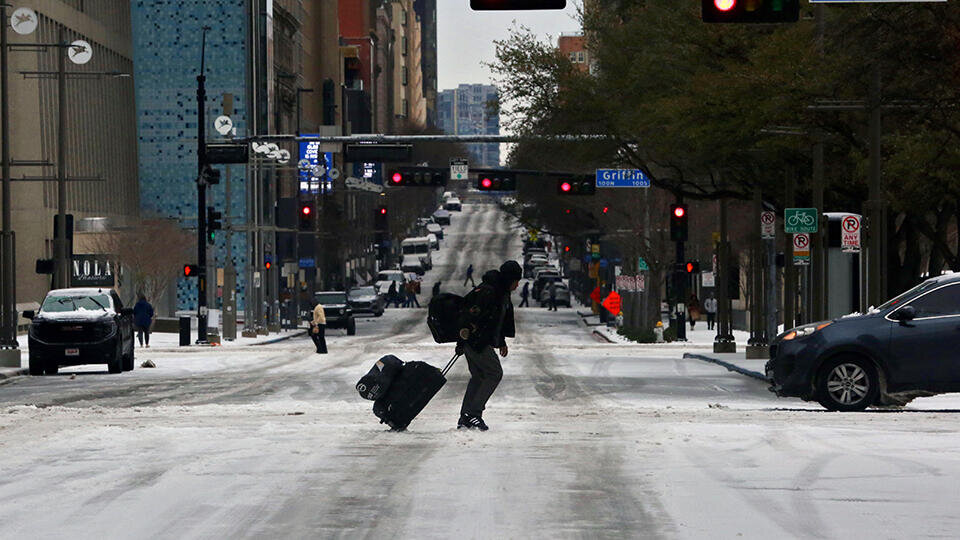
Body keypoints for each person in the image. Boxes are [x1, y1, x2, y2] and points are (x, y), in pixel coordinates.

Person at [455, 260, 521, 431]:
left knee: (479, 377)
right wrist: (463, 340)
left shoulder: (500, 291)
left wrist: (501, 342)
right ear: (508, 279)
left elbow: (496, 321)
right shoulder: (489, 292)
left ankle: (465, 417)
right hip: (476, 341)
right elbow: (471, 316)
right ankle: (473, 414)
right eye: (516, 280)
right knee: (494, 373)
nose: (517, 284)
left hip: (477, 341)